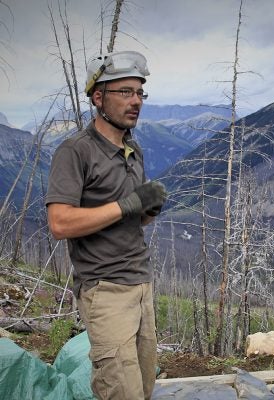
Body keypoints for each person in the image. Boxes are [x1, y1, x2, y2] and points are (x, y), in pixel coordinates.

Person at [45, 50, 167, 400]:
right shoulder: (75, 152)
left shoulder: (133, 150)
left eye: (140, 93)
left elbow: (133, 219)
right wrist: (125, 204)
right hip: (105, 289)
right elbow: (60, 222)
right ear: (98, 97)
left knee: (142, 387)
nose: (136, 102)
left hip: (140, 283)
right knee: (120, 389)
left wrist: (149, 209)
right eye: (125, 92)